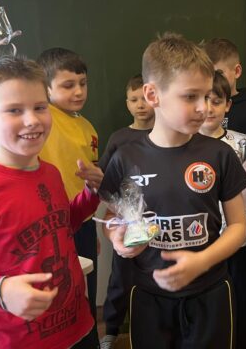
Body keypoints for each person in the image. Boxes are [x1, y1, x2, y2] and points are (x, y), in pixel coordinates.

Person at [0, 1, 103, 347]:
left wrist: (91, 194)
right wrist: (1, 290)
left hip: (78, 327)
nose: (32, 120)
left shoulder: (49, 173)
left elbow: (60, 224)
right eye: (14, 110)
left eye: (40, 107)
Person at [99, 33, 246, 349]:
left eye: (207, 96)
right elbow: (112, 216)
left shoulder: (219, 154)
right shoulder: (126, 157)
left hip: (210, 292)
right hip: (148, 294)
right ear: (152, 94)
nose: (203, 107)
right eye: (190, 96)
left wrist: (202, 261)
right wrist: (117, 238)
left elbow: (238, 226)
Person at [36, 47, 102, 347]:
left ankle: (91, 342)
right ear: (46, 88)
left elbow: (87, 183)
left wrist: (91, 226)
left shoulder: (88, 127)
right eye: (68, 85)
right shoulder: (43, 117)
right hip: (48, 227)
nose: (78, 91)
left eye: (83, 83)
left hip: (82, 224)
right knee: (58, 299)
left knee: (86, 291)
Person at [198, 70, 246, 349]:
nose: (209, 108)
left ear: (228, 105)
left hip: (240, 242)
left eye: (216, 101)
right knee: (208, 311)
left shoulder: (243, 143)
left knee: (243, 305)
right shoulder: (184, 143)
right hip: (201, 242)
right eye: (203, 100)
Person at [98, 73, 155, 349]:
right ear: (127, 103)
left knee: (153, 272)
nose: (140, 105)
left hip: (159, 219)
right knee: (121, 275)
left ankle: (149, 326)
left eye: (144, 98)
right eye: (133, 100)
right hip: (125, 219)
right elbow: (105, 178)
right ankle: (111, 328)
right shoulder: (119, 138)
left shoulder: (168, 135)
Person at [203, 38, 246, 136]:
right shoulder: (199, 107)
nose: (213, 79)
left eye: (218, 73)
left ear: (237, 71)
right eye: (207, 73)